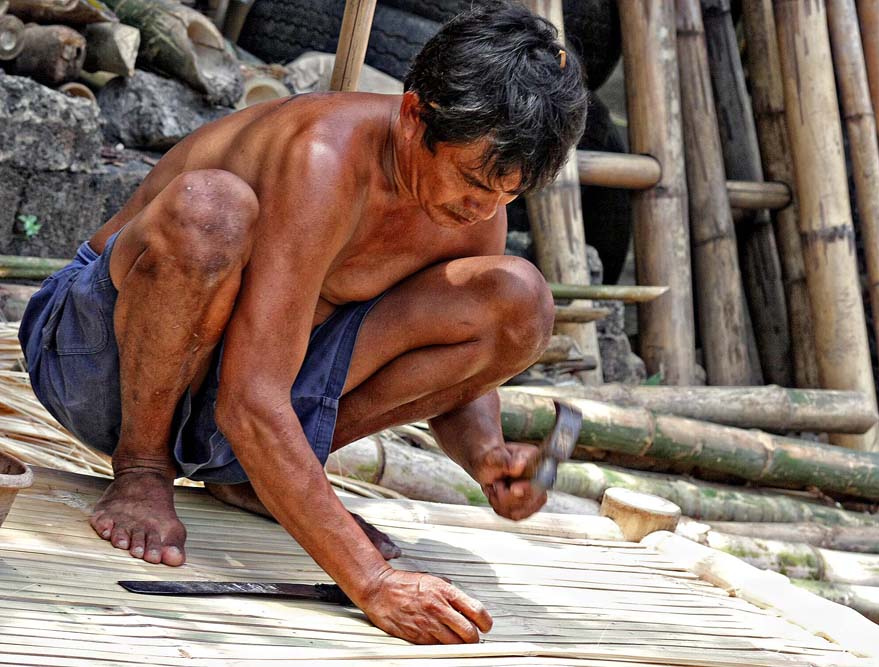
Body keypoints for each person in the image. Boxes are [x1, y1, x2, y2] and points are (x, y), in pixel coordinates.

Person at [18, 0, 587, 646]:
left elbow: (452, 361)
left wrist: (484, 452)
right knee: (214, 210)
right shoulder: (324, 159)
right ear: (412, 117)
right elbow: (249, 401)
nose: (481, 207)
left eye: (504, 194)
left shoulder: (471, 209)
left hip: (228, 402)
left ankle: (256, 478)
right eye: (471, 181)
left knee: (518, 301)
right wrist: (370, 579)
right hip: (97, 361)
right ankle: (144, 468)